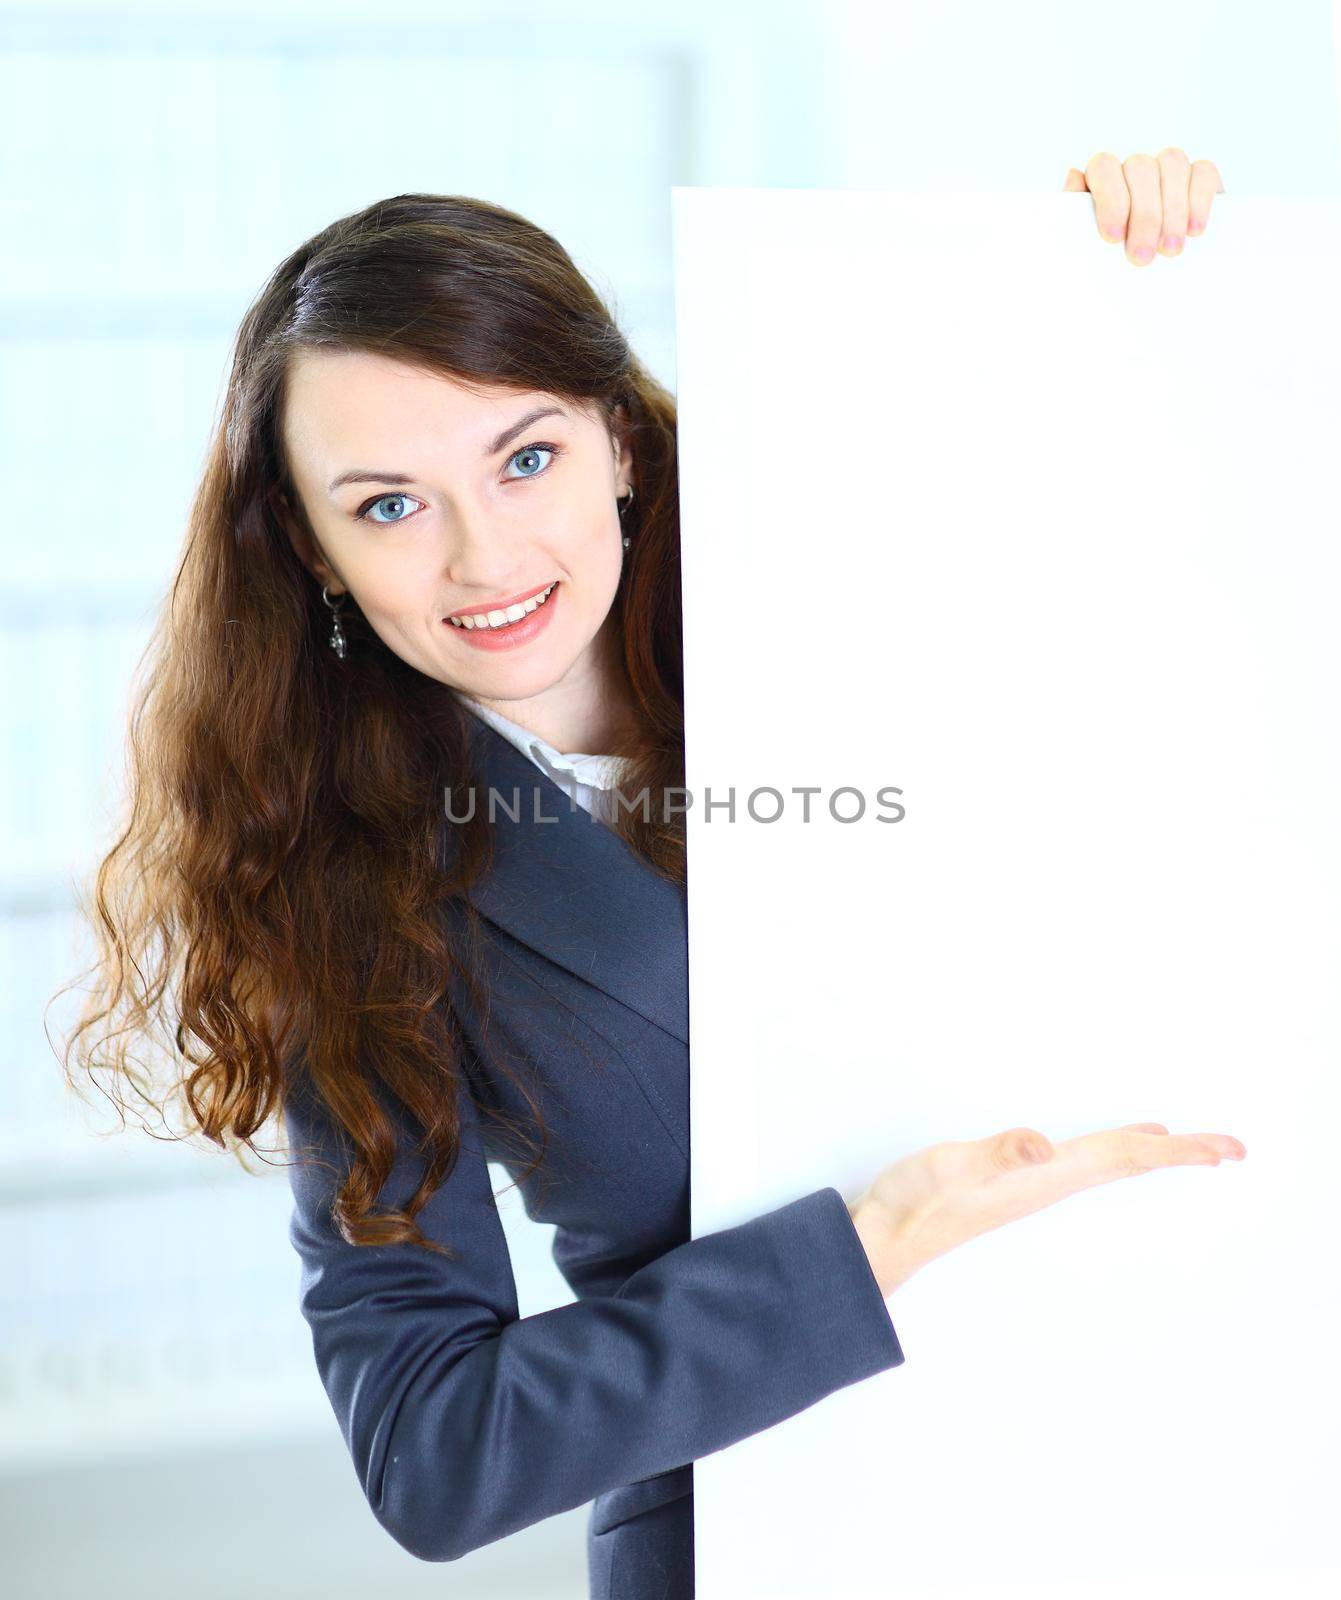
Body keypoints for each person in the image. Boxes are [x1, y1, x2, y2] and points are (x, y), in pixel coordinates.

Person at [57, 150, 1242, 1600]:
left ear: (620, 439)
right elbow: (435, 1452)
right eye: (388, 505)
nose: (485, 555)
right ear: (307, 550)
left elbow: (1162, 552)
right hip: (774, 1535)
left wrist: (1105, 266)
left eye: (526, 457)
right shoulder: (349, 893)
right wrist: (863, 1255)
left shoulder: (857, 597)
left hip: (1192, 1444)